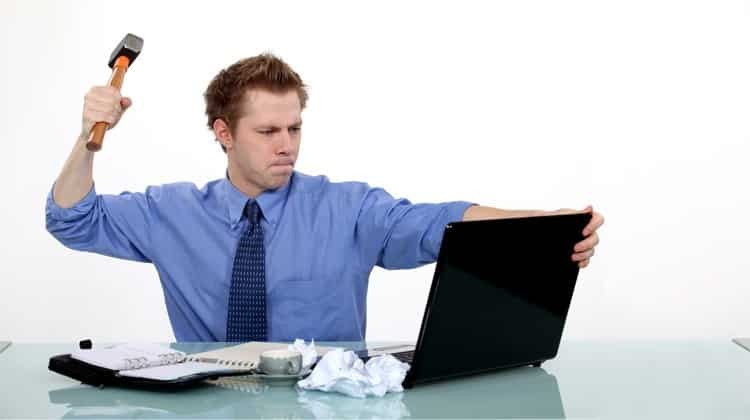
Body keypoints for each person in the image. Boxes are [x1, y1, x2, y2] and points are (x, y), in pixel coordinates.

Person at [46, 53, 604, 342]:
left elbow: (439, 222)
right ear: (223, 133)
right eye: (268, 132)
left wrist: (540, 225)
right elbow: (71, 219)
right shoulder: (170, 213)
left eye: (294, 128)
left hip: (326, 406)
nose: (286, 145)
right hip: (209, 406)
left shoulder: (347, 209)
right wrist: (86, 137)